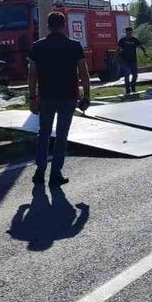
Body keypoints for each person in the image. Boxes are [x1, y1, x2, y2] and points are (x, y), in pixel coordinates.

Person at [28, 11, 91, 187]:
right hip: (68, 97)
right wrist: (87, 96)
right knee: (62, 136)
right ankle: (55, 175)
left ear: (48, 26)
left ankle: (40, 172)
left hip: (46, 97)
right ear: (64, 25)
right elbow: (84, 73)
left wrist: (32, 97)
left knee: (44, 134)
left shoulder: (38, 46)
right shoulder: (74, 46)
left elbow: (32, 74)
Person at [117, 27, 147, 94]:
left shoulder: (134, 40)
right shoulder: (122, 40)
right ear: (126, 32)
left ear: (132, 32)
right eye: (128, 32)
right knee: (127, 75)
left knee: (135, 75)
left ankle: (133, 87)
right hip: (125, 60)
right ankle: (127, 89)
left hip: (133, 60)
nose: (129, 33)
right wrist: (118, 56)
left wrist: (144, 52)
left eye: (130, 32)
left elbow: (140, 46)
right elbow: (118, 49)